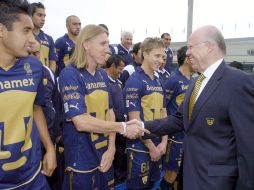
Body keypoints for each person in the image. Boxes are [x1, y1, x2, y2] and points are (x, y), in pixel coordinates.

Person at [128, 25, 254, 190]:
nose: (187, 53)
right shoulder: (197, 82)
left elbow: (249, 147)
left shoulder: (239, 82)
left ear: (209, 47)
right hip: (191, 176)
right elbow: (180, 119)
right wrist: (142, 126)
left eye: (191, 47)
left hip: (218, 182)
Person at [58, 24, 147, 190]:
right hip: (82, 159)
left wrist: (112, 148)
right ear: (86, 44)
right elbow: (81, 122)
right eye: (103, 44)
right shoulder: (70, 74)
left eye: (108, 43)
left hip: (105, 155)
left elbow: (110, 112)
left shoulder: (101, 74)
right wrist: (122, 127)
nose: (108, 49)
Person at [0, 1, 56, 189]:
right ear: (1, 30)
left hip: (33, 176)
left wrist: (49, 148)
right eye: (25, 31)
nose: (34, 40)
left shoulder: (34, 67)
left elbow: (36, 107)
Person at [124, 37, 168, 190]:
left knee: (152, 185)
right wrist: (151, 147)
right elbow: (134, 121)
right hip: (140, 148)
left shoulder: (159, 81)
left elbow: (164, 114)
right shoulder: (134, 81)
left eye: (162, 57)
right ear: (145, 54)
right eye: (156, 56)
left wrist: (164, 142)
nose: (160, 60)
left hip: (158, 145)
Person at [160, 46, 193, 190]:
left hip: (188, 135)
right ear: (186, 59)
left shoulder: (193, 80)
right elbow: (163, 107)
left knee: (182, 173)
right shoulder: (173, 79)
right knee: (171, 173)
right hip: (175, 136)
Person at [104, 54, 127, 187]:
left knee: (120, 155)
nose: (121, 72)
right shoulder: (102, 81)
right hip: (109, 126)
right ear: (112, 67)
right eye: (120, 68)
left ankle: (120, 181)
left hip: (120, 126)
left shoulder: (118, 82)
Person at [31, 2, 58, 73]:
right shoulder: (21, 36)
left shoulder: (49, 38)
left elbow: (53, 61)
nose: (43, 19)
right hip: (27, 77)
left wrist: (50, 76)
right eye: (39, 15)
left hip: (44, 77)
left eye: (44, 16)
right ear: (30, 15)